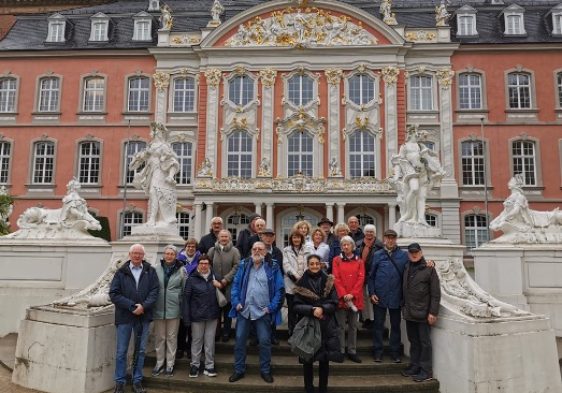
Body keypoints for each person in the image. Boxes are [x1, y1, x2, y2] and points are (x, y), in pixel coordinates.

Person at [229, 241, 285, 384]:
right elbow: (235, 285)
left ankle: (265, 371)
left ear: (266, 251)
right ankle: (239, 370)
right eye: (254, 248)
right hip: (244, 310)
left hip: (263, 311)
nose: (257, 251)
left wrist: (271, 307)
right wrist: (236, 302)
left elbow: (279, 289)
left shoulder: (273, 266)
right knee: (240, 341)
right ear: (251, 250)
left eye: (260, 249)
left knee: (265, 342)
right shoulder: (244, 264)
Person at [109, 244, 159, 393]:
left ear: (143, 256)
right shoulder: (121, 272)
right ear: (129, 255)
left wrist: (143, 306)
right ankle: (119, 382)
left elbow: (155, 291)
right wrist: (132, 306)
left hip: (143, 316)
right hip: (125, 317)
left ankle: (137, 380)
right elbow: (114, 294)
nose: (137, 256)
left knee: (141, 350)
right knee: (121, 351)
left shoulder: (150, 271)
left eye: (140, 254)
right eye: (134, 253)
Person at [293, 254, 342, 393]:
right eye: (311, 264)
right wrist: (311, 310)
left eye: (317, 263)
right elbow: (295, 306)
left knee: (324, 361)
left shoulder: (329, 281)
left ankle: (323, 389)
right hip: (308, 326)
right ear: (308, 265)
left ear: (320, 264)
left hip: (326, 325)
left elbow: (335, 303)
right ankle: (309, 388)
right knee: (307, 360)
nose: (314, 266)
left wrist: (323, 309)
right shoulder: (301, 283)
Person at [402, 243, 441, 382]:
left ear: (421, 252)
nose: (414, 254)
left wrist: (433, 312)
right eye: (411, 252)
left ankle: (426, 371)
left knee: (424, 343)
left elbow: (436, 293)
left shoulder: (429, 269)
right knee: (414, 341)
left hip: (424, 313)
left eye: (416, 252)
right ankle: (415, 366)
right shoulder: (407, 266)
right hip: (409, 312)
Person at [128, 122, 179, 228]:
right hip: (151, 171)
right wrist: (138, 158)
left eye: (152, 131)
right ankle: (153, 219)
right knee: (153, 193)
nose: (150, 133)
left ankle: (153, 219)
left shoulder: (163, 145)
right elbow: (141, 159)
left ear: (157, 133)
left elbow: (173, 158)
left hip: (160, 171)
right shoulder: (152, 145)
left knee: (154, 192)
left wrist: (164, 159)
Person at [368, 229, 408, 363]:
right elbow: (371, 276)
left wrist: (430, 263)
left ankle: (395, 352)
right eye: (388, 238)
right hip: (379, 296)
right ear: (384, 239)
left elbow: (413, 268)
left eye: (392, 238)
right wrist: (372, 293)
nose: (390, 240)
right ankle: (377, 351)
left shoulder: (403, 255)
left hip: (396, 296)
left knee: (395, 326)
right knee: (378, 326)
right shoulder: (377, 254)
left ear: (395, 240)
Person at [182, 254, 223, 378]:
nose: (204, 265)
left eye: (206, 263)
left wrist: (220, 285)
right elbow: (186, 299)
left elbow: (221, 294)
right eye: (201, 263)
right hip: (196, 316)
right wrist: (186, 317)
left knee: (210, 342)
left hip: (212, 315)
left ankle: (209, 365)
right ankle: (195, 365)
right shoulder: (191, 279)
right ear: (198, 265)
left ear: (209, 264)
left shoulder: (215, 277)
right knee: (196, 341)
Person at [152, 245, 186, 377]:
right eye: (167, 253)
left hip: (174, 309)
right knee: (160, 338)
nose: (169, 256)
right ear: (163, 255)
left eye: (172, 254)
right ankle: (159, 363)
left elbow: (184, 290)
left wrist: (181, 306)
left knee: (171, 338)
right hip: (159, 308)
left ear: (176, 255)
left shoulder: (181, 270)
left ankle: (170, 364)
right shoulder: (156, 269)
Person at [332, 236, 364, 363]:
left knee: (353, 326)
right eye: (343, 245)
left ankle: (352, 351)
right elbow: (336, 277)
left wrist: (353, 294)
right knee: (340, 326)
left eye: (348, 245)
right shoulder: (336, 260)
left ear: (353, 246)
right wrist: (344, 294)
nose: (345, 247)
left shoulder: (359, 261)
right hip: (342, 298)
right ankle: (340, 351)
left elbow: (361, 279)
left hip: (355, 299)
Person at [207, 229, 240, 342]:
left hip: (228, 285)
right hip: (215, 284)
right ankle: (216, 333)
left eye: (226, 236)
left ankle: (226, 332)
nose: (224, 239)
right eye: (222, 236)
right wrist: (214, 280)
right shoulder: (212, 250)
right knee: (216, 310)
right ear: (218, 238)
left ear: (229, 238)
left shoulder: (234, 251)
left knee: (227, 310)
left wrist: (226, 279)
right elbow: (207, 265)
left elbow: (237, 266)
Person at [176, 238, 201, 359]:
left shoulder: (200, 260)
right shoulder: (178, 260)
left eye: (193, 247)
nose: (191, 249)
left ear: (196, 249)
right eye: (189, 246)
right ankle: (180, 347)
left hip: (195, 297)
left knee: (193, 326)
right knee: (182, 325)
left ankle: (191, 348)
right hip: (181, 296)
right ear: (185, 247)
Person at [283, 230, 311, 337]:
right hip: (291, 284)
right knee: (292, 310)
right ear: (291, 239)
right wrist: (295, 277)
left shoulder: (307, 250)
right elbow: (286, 265)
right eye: (294, 237)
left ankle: (301, 333)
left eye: (298, 237)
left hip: (304, 284)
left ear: (301, 239)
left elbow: (309, 264)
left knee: (302, 310)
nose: (296, 239)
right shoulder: (286, 250)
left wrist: (303, 279)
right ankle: (292, 332)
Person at [356, 224, 383, 329]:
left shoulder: (379, 245)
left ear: (374, 233)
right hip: (361, 274)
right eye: (367, 231)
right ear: (364, 233)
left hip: (374, 274)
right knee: (363, 297)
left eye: (371, 231)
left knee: (371, 296)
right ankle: (366, 318)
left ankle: (374, 319)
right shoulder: (359, 244)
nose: (369, 233)